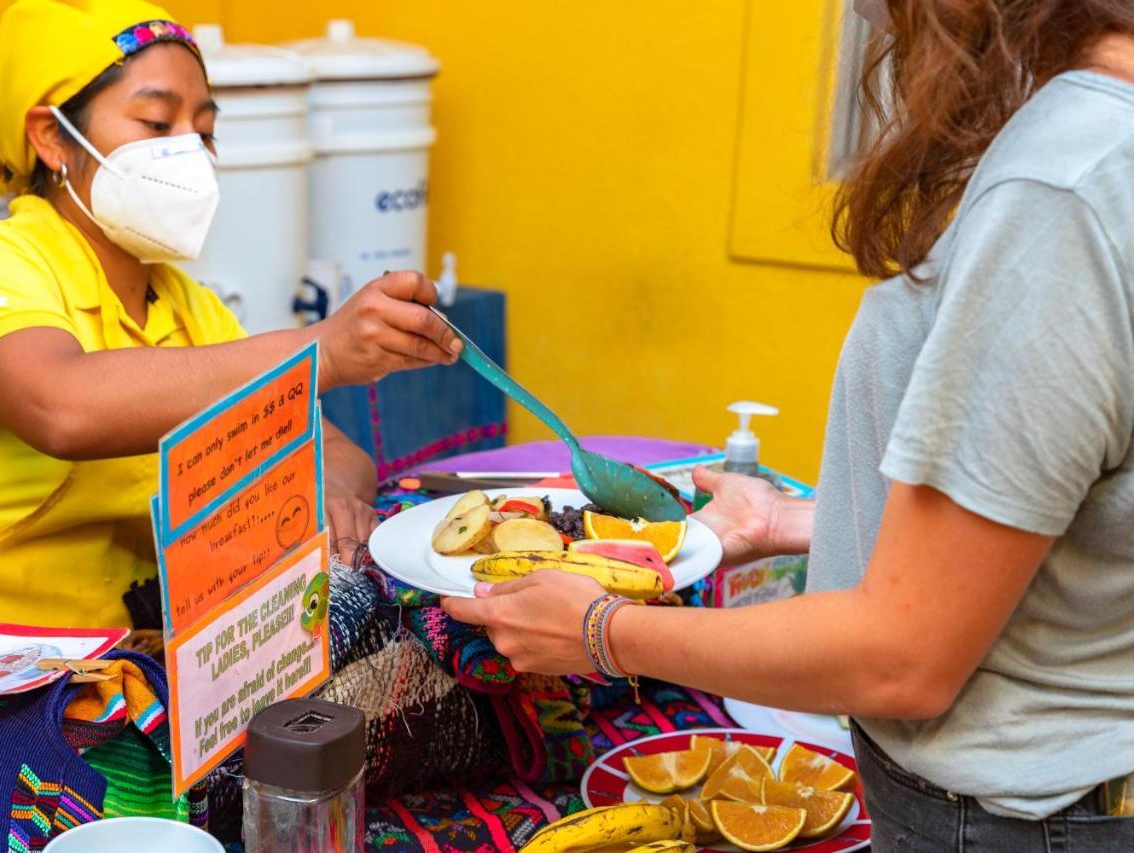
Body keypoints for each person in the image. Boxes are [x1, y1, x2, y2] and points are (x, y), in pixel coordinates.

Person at [444, 0, 1134, 848]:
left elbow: (903, 656)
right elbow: (1081, 514)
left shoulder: (1060, 188)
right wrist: (803, 524)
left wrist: (602, 632)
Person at [0, 0, 462, 659]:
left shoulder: (187, 307)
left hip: (135, 667)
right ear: (51, 138)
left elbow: (334, 449)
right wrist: (324, 349)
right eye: (158, 122)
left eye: (205, 131)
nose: (189, 151)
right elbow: (63, 406)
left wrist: (329, 495)